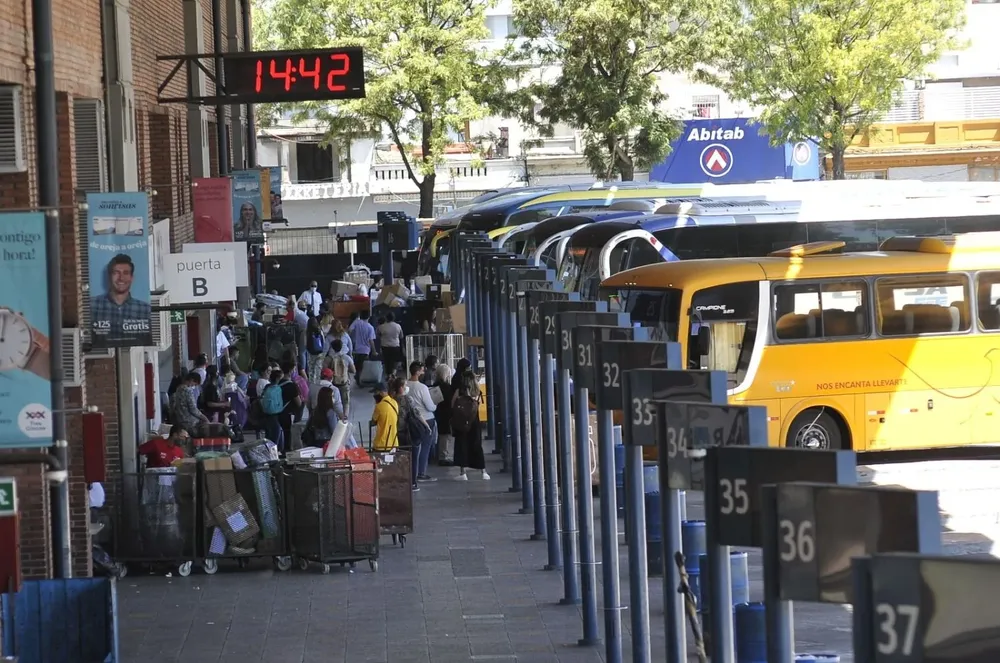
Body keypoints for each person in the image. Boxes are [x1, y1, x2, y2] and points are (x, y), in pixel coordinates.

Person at [89, 253, 152, 344]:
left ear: (132, 278)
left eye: (125, 273)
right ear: (110, 276)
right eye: (116, 273)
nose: (121, 278)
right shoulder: (92, 305)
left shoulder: (145, 309)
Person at [452, 367, 488, 480]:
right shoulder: (477, 391)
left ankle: (463, 473)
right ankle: (483, 472)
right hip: (474, 421)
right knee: (476, 445)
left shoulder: (459, 391)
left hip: (461, 422)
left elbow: (453, 405)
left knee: (462, 445)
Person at [405, 361, 437, 484]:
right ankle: (421, 473)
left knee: (413, 447)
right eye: (422, 370)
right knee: (425, 447)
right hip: (426, 420)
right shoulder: (422, 387)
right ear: (418, 372)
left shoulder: (405, 385)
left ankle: (412, 472)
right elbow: (430, 406)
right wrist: (435, 405)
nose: (424, 372)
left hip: (411, 420)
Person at [433, 363, 455, 466]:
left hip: (435, 412)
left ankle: (437, 455)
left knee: (438, 435)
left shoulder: (434, 386)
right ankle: (443, 456)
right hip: (446, 414)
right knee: (445, 436)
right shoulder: (447, 387)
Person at [326, 339, 355, 417]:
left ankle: (335, 418)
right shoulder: (347, 358)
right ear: (342, 347)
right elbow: (353, 371)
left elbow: (324, 370)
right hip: (344, 383)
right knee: (346, 403)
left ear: (332, 347)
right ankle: (345, 419)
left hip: (333, 383)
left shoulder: (329, 358)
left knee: (333, 402)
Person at [348, 309, 376, 385]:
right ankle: (360, 380)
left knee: (357, 365)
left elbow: (349, 330)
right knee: (363, 366)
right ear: (368, 317)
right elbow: (371, 340)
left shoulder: (356, 322)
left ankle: (358, 378)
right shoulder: (370, 327)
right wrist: (374, 351)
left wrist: (351, 339)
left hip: (356, 348)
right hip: (366, 350)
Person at [371, 381, 400, 452]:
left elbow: (373, 422)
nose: (374, 395)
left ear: (381, 392)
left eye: (375, 392)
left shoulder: (379, 406)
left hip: (381, 444)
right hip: (393, 443)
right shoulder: (394, 403)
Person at [378, 313, 405, 378]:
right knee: (395, 361)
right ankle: (394, 372)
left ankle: (389, 375)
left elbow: (379, 335)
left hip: (385, 346)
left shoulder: (382, 326)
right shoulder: (398, 326)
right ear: (394, 318)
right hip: (395, 346)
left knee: (387, 361)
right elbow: (401, 336)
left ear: (386, 318)